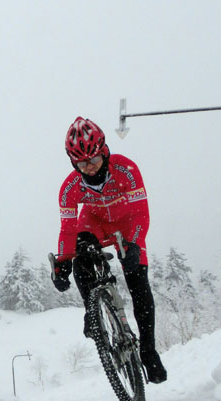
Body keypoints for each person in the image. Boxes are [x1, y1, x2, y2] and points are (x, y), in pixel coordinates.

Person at [50, 116, 167, 384]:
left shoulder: (126, 169)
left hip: (129, 225)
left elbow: (141, 213)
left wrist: (135, 244)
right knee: (80, 254)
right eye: (81, 163)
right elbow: (67, 229)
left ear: (104, 152)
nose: (89, 168)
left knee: (138, 283)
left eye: (93, 160)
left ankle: (149, 353)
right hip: (95, 223)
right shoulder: (69, 187)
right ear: (73, 162)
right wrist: (62, 262)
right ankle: (92, 312)